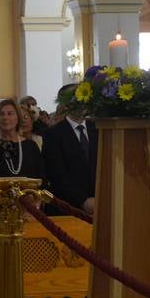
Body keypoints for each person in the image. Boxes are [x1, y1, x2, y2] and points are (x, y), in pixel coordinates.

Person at [44, 84, 98, 215]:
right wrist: (83, 200)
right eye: (75, 98)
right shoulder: (54, 134)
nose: (81, 102)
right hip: (68, 206)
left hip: (99, 202)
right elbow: (57, 174)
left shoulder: (97, 129)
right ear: (65, 104)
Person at [0, 98, 45, 180]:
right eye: (1, 114)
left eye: (10, 113)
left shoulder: (31, 146)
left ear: (18, 118)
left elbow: (41, 177)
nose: (5, 117)